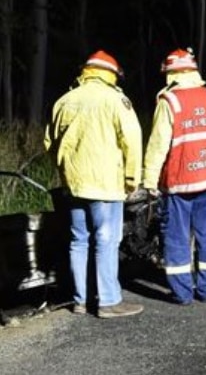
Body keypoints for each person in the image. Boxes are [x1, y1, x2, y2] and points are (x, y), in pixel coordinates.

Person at [44, 50, 145, 318]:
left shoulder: (64, 101)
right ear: (111, 74)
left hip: (74, 185)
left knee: (78, 240)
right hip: (106, 185)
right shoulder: (116, 100)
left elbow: (49, 143)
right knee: (106, 239)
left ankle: (80, 300)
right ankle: (109, 301)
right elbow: (132, 140)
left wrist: (65, 170)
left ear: (86, 72)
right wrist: (132, 178)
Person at [142, 48, 206, 305]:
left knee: (177, 236)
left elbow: (158, 145)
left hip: (180, 181)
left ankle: (182, 293)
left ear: (171, 73)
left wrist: (149, 181)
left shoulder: (169, 101)